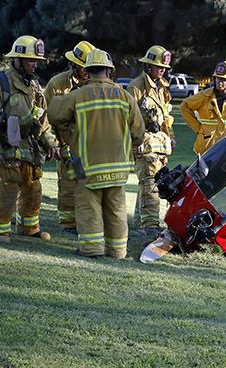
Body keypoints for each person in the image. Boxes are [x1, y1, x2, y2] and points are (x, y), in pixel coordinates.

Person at [47, 49, 145, 258]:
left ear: (88, 71)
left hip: (88, 166)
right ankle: (118, 250)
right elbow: (139, 133)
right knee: (116, 211)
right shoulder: (125, 96)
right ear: (109, 71)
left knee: (88, 209)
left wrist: (69, 131)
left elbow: (54, 114)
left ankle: (92, 249)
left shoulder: (77, 96)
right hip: (118, 168)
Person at [0, 35, 60, 244]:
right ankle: (0, 230)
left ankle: (29, 227)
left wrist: (50, 143)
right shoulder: (0, 84)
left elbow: (43, 122)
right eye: (31, 60)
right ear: (17, 60)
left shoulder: (35, 87)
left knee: (33, 189)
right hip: (7, 148)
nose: (35, 64)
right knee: (8, 187)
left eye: (37, 61)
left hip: (29, 150)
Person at [43, 40, 95, 233]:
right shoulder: (57, 84)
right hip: (66, 145)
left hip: (91, 147)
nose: (87, 71)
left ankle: (88, 221)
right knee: (67, 186)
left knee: (90, 187)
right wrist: (53, 144)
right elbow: (45, 118)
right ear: (74, 65)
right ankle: (68, 224)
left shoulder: (95, 85)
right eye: (83, 67)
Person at [126, 45, 177, 237]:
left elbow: (166, 118)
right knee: (150, 185)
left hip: (160, 146)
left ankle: (140, 222)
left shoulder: (161, 87)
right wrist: (136, 139)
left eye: (164, 67)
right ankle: (150, 226)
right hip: (145, 145)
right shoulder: (136, 87)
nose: (162, 70)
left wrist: (170, 137)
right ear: (148, 66)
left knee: (148, 185)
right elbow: (129, 117)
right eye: (158, 66)